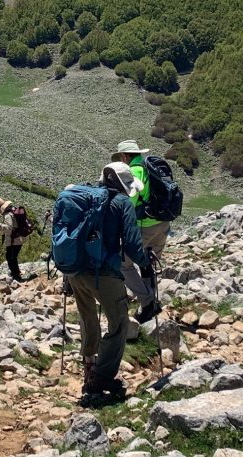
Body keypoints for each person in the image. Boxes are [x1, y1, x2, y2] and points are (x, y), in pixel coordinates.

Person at [65, 162, 151, 404]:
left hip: (75, 271)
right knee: (119, 321)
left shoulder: (84, 196)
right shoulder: (122, 203)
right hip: (103, 273)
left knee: (87, 317)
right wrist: (146, 261)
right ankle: (102, 377)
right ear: (123, 185)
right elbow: (133, 245)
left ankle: (89, 366)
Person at [114, 140, 169, 323]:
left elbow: (130, 202)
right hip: (163, 223)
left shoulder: (135, 172)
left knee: (124, 264)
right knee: (147, 262)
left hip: (145, 225)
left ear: (125, 156)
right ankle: (149, 306)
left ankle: (147, 303)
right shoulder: (150, 167)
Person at [0, 197, 26, 282]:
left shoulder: (7, 215)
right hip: (18, 239)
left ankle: (16, 276)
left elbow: (8, 228)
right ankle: (16, 273)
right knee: (12, 257)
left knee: (10, 257)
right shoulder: (12, 212)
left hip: (14, 240)